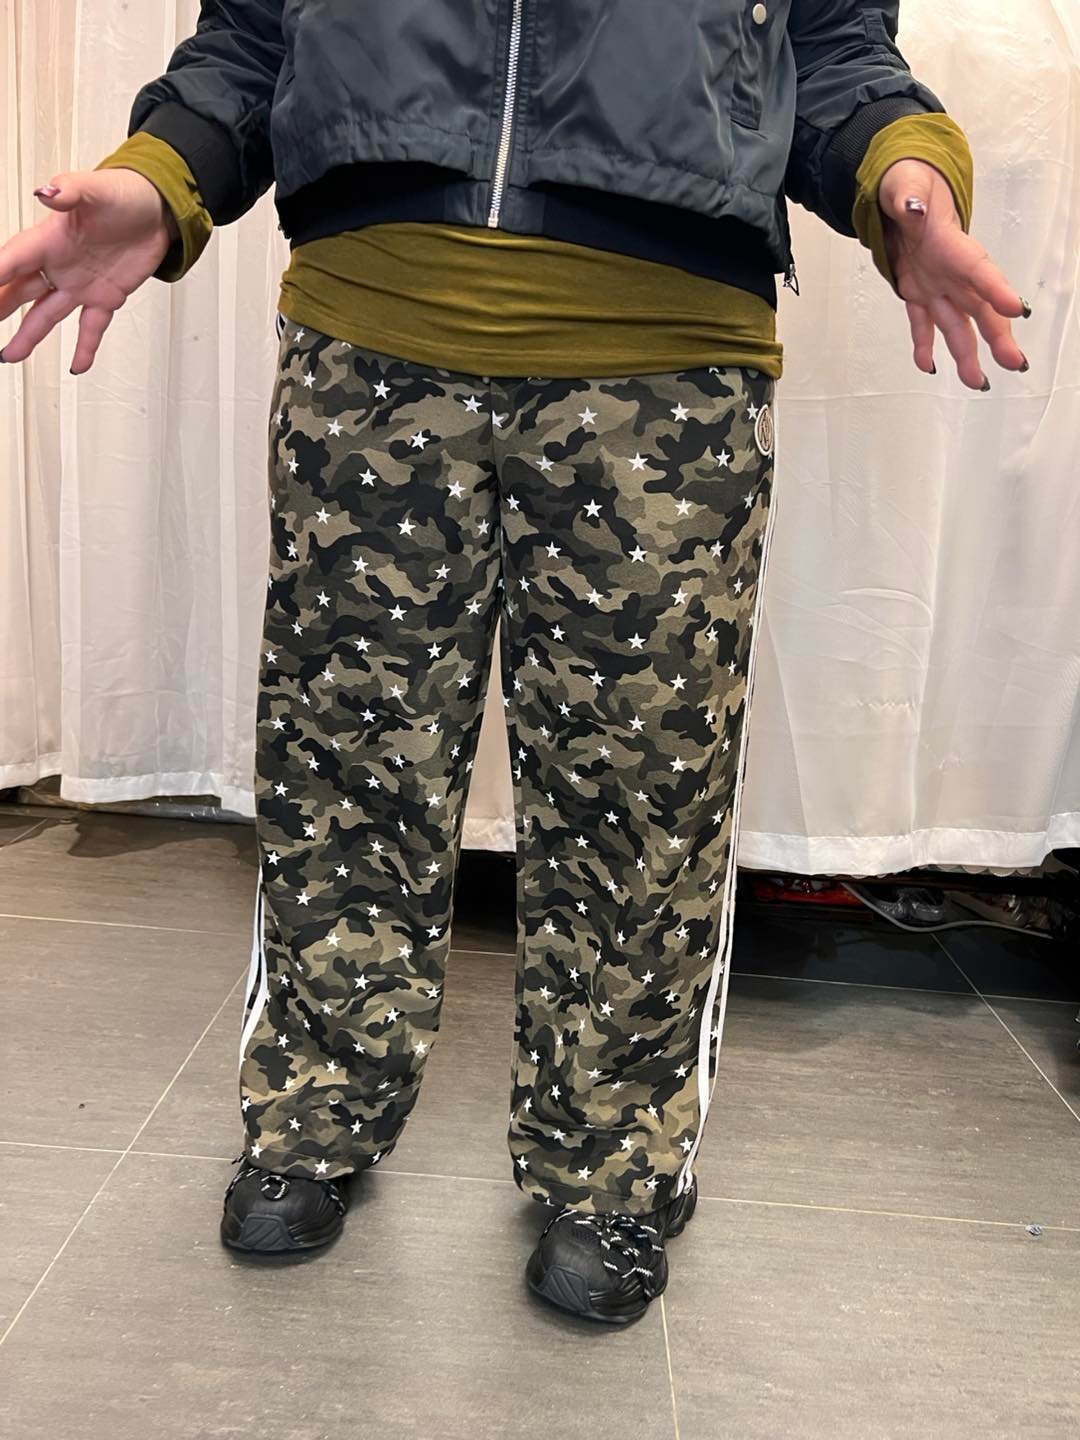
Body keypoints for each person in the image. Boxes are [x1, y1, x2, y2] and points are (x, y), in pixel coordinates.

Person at [0, 2, 1027, 1325]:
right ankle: (315, 1107)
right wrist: (163, 172)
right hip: (371, 342)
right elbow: (255, 35)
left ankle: (616, 1164)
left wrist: (904, 164)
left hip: (663, 366)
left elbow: (829, 45)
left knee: (640, 798)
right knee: (345, 768)